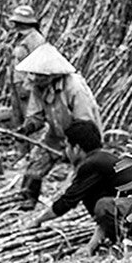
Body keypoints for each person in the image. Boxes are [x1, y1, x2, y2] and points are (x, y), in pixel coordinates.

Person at [24, 118, 132, 254]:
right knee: (102, 204)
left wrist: (38, 220)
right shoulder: (102, 159)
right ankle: (125, 243)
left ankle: (131, 244)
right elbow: (105, 217)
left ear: (76, 148)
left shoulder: (91, 165)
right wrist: (90, 247)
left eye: (67, 146)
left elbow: (68, 201)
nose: (66, 152)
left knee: (103, 205)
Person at [14, 43, 101, 209]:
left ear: (52, 74)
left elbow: (84, 123)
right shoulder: (38, 87)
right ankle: (28, 198)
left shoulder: (74, 88)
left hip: (81, 139)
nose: (34, 78)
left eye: (39, 75)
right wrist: (27, 127)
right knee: (35, 163)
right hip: (55, 135)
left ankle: (86, 203)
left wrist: (69, 148)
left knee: (85, 172)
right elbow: (36, 115)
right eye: (33, 74)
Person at [0, 4, 47, 129]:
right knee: (18, 121)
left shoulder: (35, 39)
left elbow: (40, 66)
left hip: (28, 88)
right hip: (17, 86)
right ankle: (20, 147)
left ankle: (32, 146)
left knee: (30, 120)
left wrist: (28, 85)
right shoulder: (21, 38)